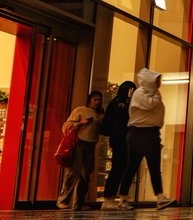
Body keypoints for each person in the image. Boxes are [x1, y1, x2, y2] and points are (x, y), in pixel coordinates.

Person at [111, 68, 175, 209]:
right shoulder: (139, 94)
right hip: (138, 132)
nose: (159, 83)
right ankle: (123, 199)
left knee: (153, 166)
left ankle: (160, 197)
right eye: (156, 80)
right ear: (149, 80)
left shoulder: (154, 94)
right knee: (132, 166)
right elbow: (150, 105)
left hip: (151, 132)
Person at [57, 90, 102, 210]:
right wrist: (80, 123)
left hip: (91, 145)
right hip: (79, 144)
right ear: (90, 100)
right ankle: (63, 200)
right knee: (73, 172)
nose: (97, 102)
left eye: (99, 100)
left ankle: (79, 203)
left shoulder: (99, 114)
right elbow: (66, 125)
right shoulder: (80, 110)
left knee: (85, 175)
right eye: (95, 99)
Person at [100, 80, 135, 210]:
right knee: (117, 168)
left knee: (121, 168)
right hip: (119, 139)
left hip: (123, 139)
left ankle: (114, 198)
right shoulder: (118, 102)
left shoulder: (120, 102)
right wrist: (129, 99)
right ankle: (108, 198)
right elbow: (125, 113)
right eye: (131, 91)